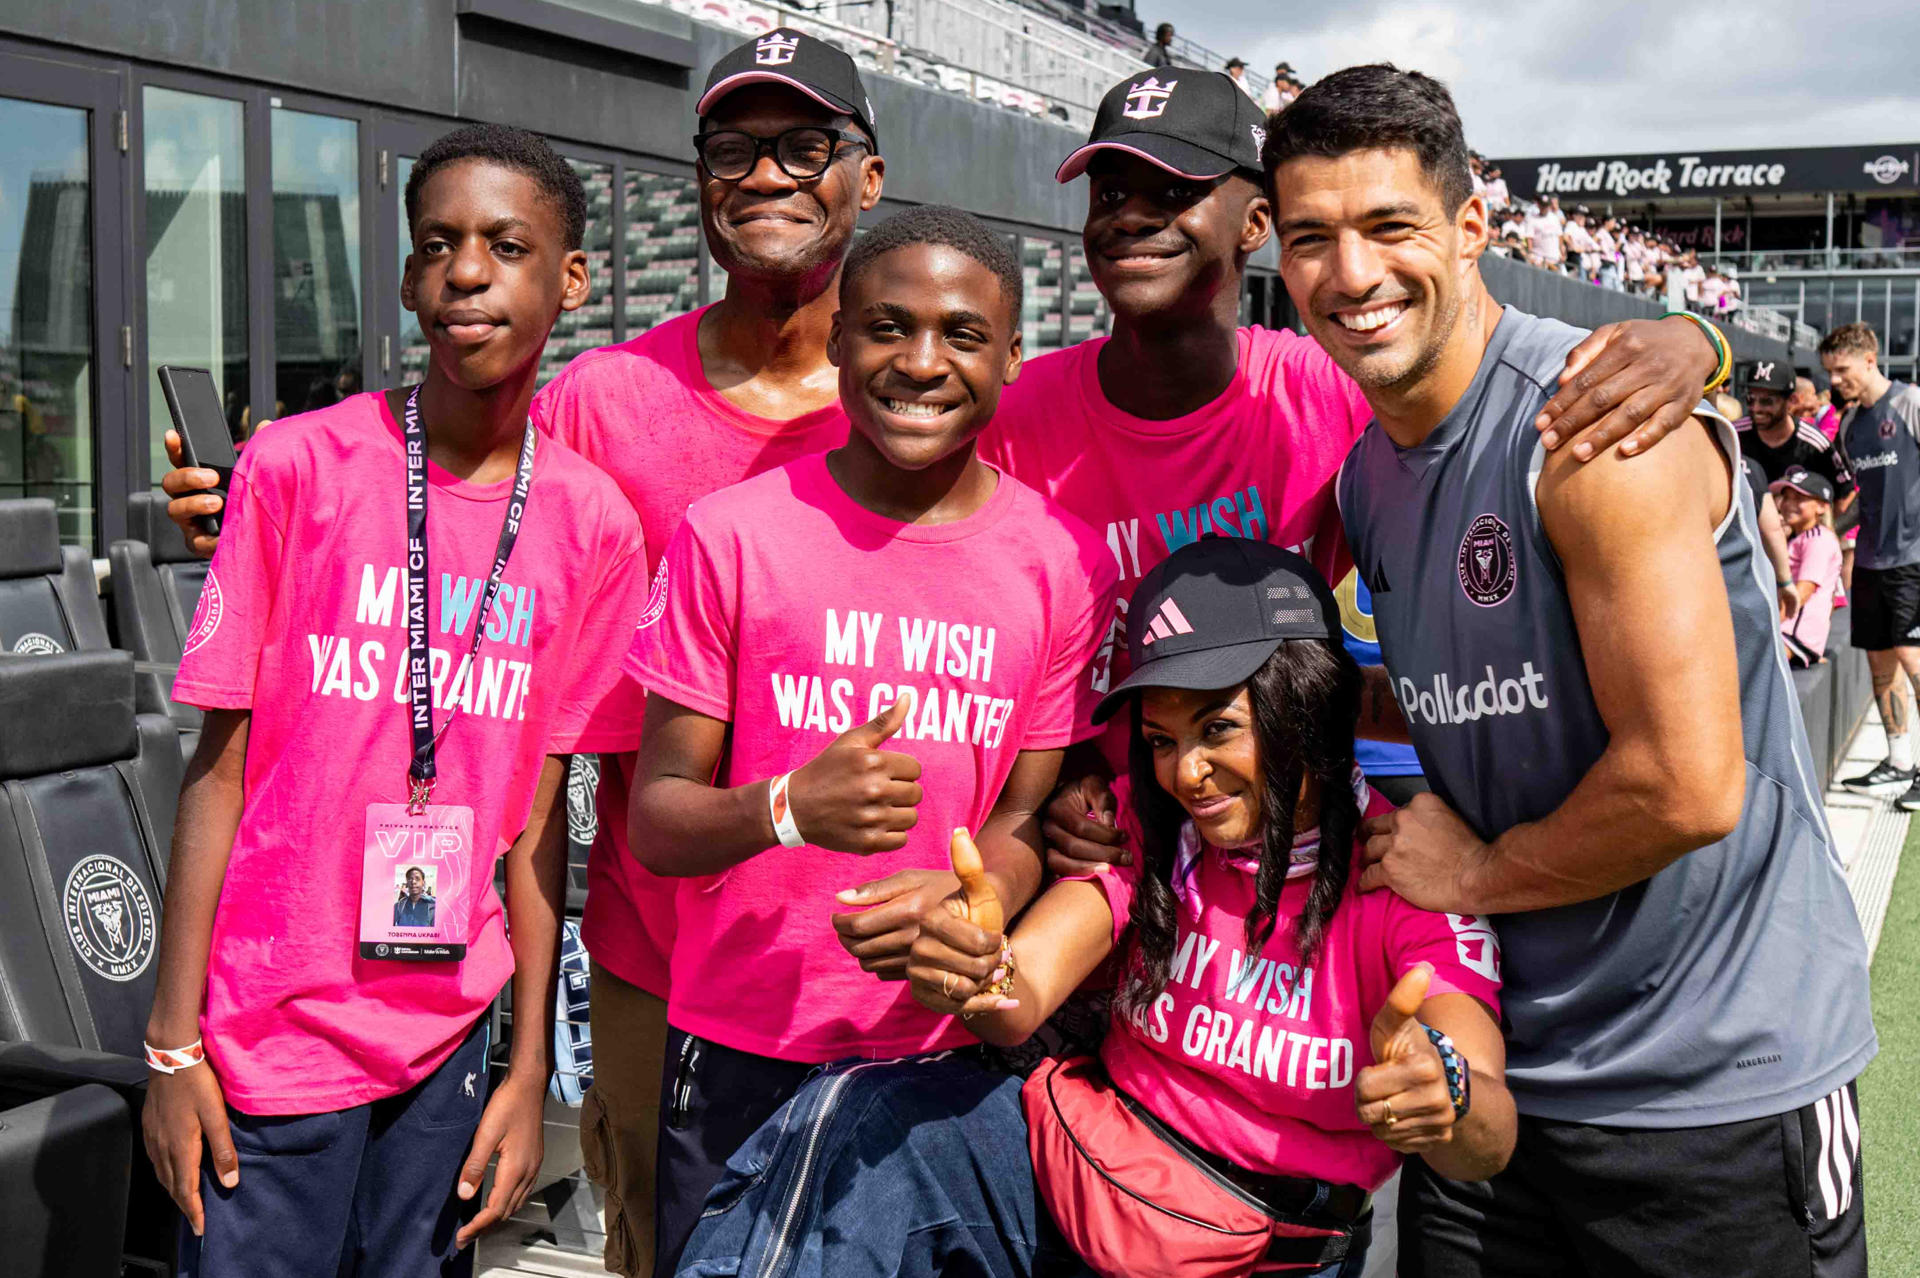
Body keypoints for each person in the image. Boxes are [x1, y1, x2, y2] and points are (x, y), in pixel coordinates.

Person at [160, 29, 888, 1277]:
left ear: (867, 179)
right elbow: (423, 475)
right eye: (733, 148)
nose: (766, 173)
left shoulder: (916, 402)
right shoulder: (600, 407)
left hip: (855, 963)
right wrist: (252, 506)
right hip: (619, 966)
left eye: (805, 146)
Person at [1271, 64, 1875, 1277]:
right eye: (1310, 239)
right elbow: (1459, 690)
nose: (1350, 275)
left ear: (1475, 229)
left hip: (1710, 1096)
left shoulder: (1592, 426)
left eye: (1390, 226)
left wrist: (1477, 871)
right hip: (1490, 1082)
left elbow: (1686, 787)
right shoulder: (1366, 479)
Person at [676, 537, 1513, 1278]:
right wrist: (970, 968)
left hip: (1258, 1244)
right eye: (1160, 741)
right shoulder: (1152, 831)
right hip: (1070, 1169)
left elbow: (1488, 1133)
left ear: (1305, 704)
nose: (1186, 773)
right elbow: (1019, 993)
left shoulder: (1401, 871)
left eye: (1217, 728)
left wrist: (1445, 1095)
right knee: (858, 1114)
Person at [977, 68, 1722, 891]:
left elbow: (1684, 783)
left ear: (1254, 223)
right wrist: (1060, 777)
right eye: (1110, 190)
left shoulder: (1365, 404)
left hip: (1306, 881)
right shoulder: (1015, 421)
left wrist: (1696, 342)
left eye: (1176, 188)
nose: (1355, 273)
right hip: (1108, 876)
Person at [141, 124, 648, 1275]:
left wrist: (528, 1075)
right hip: (266, 1040)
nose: (467, 273)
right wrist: (173, 1047)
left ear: (572, 278)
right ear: (413, 276)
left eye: (507, 245)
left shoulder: (595, 526)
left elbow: (537, 829)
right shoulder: (299, 469)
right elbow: (217, 772)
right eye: (439, 244)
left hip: (445, 1055)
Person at [624, 206, 1119, 1274]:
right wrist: (790, 806)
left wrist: (976, 899)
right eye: (889, 327)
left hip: (946, 1056)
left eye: (963, 335)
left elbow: (1027, 817)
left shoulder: (1063, 563)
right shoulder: (731, 534)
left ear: (1013, 357)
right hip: (743, 1047)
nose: (922, 363)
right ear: (839, 336)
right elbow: (656, 821)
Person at [1828, 321, 1920, 810]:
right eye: (1830, 372)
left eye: (1842, 370)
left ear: (1869, 359)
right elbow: (1868, 497)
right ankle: (1899, 761)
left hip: (1913, 560)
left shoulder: (1910, 403)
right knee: (1881, 665)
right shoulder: (1848, 425)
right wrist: (1833, 529)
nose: (1836, 380)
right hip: (1870, 561)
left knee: (1913, 659)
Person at [1734, 357, 1854, 502]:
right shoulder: (1732, 435)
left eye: (1767, 401)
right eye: (1750, 400)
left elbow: (1846, 494)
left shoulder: (1815, 444)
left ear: (1792, 400)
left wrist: (1820, 524)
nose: (1756, 408)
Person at [1773, 467, 1843, 667]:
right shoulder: (1796, 537)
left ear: (1821, 506)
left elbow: (1802, 592)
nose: (1789, 505)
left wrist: (1768, 629)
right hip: (1789, 632)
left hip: (1793, 635)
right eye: (1786, 498)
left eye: (1799, 498)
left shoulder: (1818, 539)